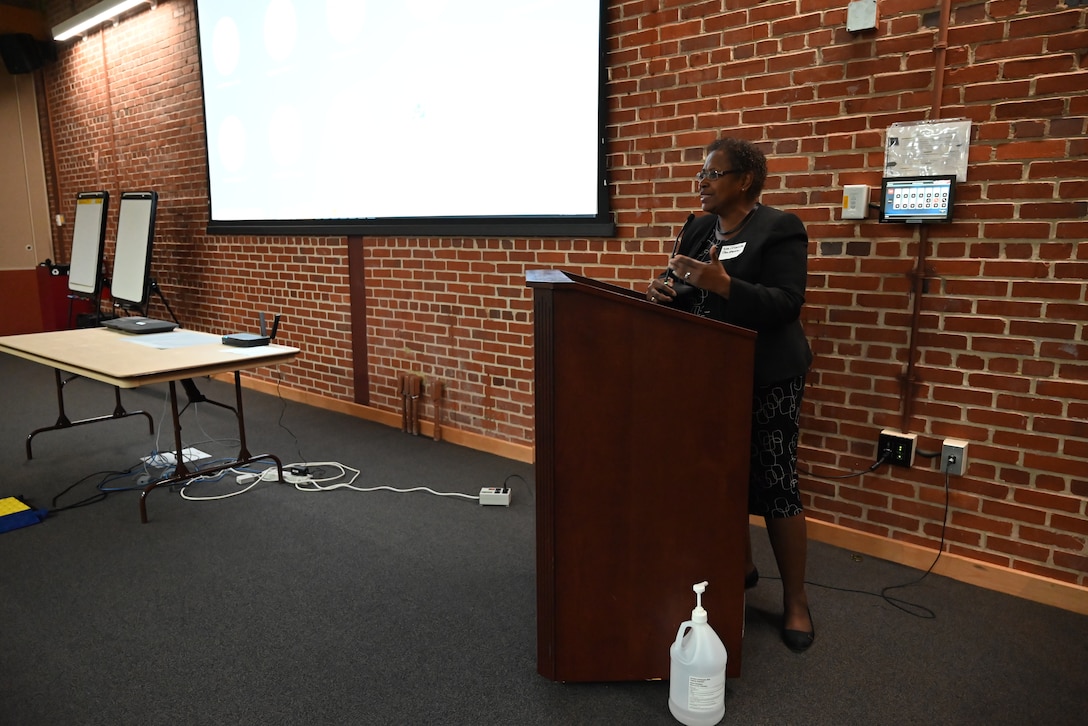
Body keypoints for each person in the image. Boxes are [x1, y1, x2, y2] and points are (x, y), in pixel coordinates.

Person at [645, 136, 815, 653]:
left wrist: (723, 286)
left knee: (775, 480)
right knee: (719, 475)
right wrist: (662, 289)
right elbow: (681, 280)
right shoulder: (698, 228)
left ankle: (796, 602)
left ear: (744, 180)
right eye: (702, 174)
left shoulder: (779, 228)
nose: (702, 182)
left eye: (713, 174)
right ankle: (739, 566)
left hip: (766, 377)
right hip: (706, 376)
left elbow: (786, 303)